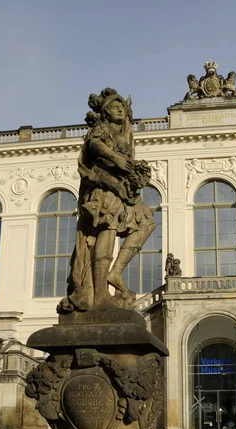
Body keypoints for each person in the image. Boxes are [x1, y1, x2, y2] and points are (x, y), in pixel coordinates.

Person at [58, 88, 155, 313]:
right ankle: (100, 293)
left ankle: (115, 273)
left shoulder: (125, 133)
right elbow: (94, 145)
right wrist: (117, 159)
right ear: (105, 112)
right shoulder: (102, 129)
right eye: (115, 106)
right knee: (107, 231)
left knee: (147, 223)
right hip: (104, 188)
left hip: (121, 191)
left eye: (122, 107)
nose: (120, 109)